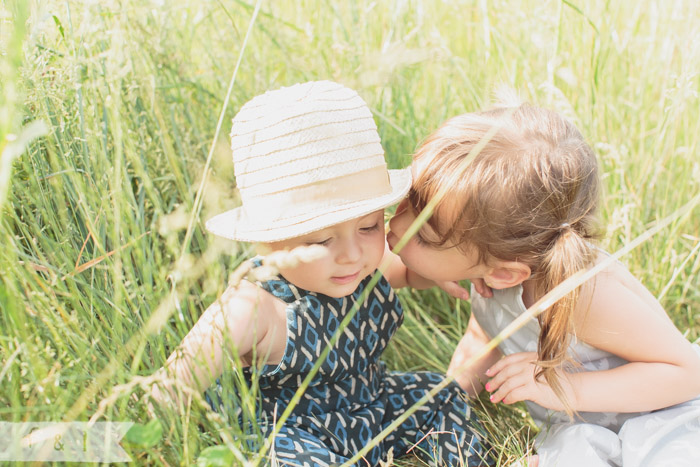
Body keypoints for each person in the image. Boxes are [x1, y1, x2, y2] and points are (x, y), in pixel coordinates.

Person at [149, 81, 490, 467]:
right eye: (322, 240)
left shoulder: (363, 269)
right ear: (268, 242)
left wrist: (440, 271)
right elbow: (170, 386)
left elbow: (408, 273)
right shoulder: (253, 308)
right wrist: (123, 440)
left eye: (368, 227)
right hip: (295, 432)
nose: (352, 255)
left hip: (372, 407)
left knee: (440, 394)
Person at [387, 101, 700, 466]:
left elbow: (686, 373)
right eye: (407, 202)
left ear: (505, 272)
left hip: (664, 418)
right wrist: (449, 396)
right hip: (586, 430)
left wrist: (563, 386)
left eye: (423, 235)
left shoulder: (581, 293)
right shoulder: (490, 272)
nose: (395, 224)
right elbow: (484, 335)